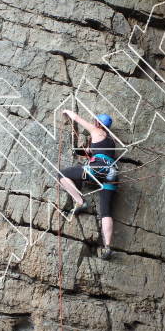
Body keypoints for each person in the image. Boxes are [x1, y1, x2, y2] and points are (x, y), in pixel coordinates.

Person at [59, 110, 117, 260]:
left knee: (62, 175)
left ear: (98, 123)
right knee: (106, 212)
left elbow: (78, 118)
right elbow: (94, 153)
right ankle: (108, 247)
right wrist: (84, 151)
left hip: (97, 170)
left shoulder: (97, 131)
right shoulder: (111, 141)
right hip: (111, 174)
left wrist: (67, 111)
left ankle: (80, 202)